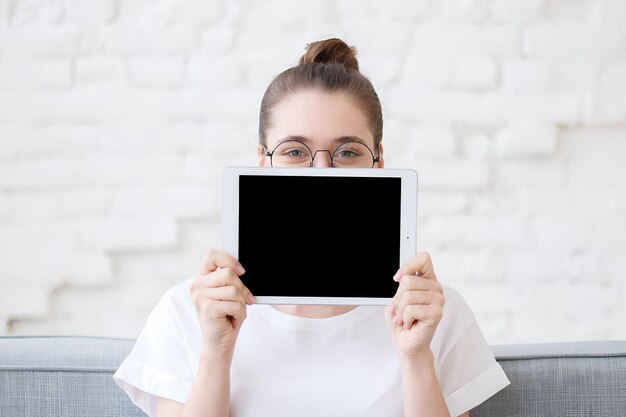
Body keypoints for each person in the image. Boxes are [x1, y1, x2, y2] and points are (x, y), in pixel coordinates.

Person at [113, 38, 510, 417]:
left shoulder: (432, 312)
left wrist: (415, 357)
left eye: (347, 152)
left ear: (379, 162)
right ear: (263, 161)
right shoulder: (188, 311)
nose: (321, 171)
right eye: (295, 151)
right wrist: (216, 352)